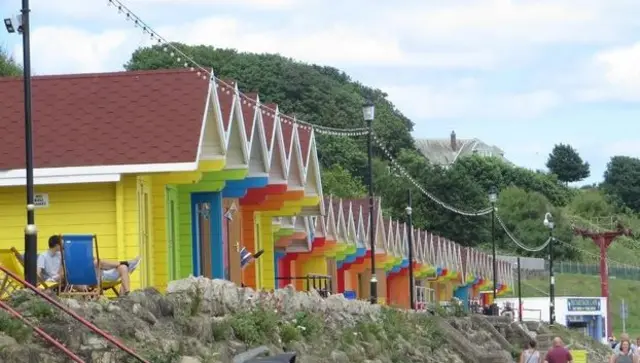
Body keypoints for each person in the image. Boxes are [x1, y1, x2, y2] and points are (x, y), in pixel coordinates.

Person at [37, 235, 140, 295]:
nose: (64, 247)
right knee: (96, 262)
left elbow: (66, 266)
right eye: (62, 244)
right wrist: (42, 284)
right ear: (57, 245)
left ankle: (126, 292)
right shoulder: (43, 256)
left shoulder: (61, 254)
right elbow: (38, 273)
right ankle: (125, 262)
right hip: (57, 279)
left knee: (119, 267)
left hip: (77, 275)